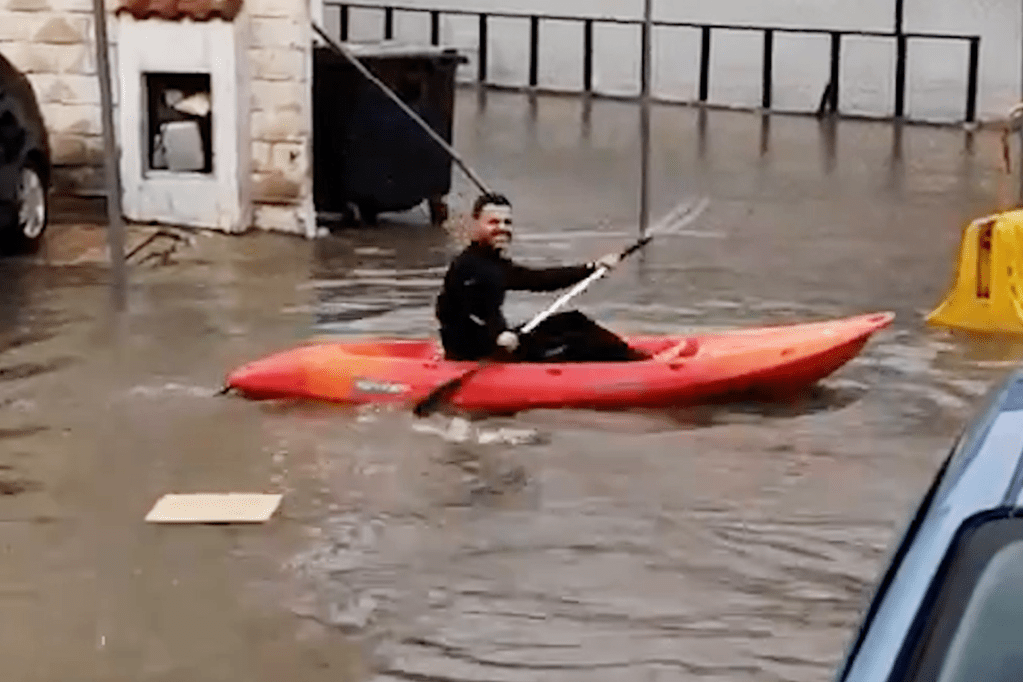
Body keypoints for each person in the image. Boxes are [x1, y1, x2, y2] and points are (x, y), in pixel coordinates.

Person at [435, 193, 647, 363]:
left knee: (573, 320)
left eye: (507, 222)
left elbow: (539, 280)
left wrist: (592, 267)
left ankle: (633, 359)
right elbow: (468, 311)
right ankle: (639, 367)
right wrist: (498, 335)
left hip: (501, 341)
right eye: (493, 222)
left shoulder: (494, 263)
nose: (502, 228)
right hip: (479, 353)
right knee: (578, 340)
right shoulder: (467, 266)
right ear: (476, 224)